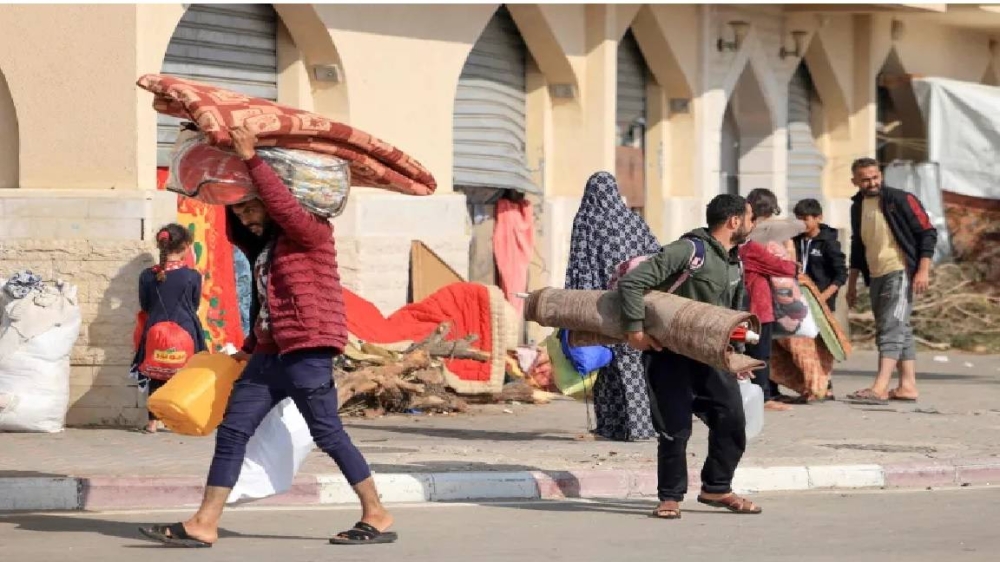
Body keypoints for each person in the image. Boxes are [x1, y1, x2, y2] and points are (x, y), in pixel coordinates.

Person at [140, 126, 395, 547]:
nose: (246, 218)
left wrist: (252, 159)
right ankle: (204, 522)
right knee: (233, 431)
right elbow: (242, 248)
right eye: (240, 213)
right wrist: (219, 165)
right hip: (270, 357)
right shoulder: (267, 249)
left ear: (272, 204)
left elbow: (286, 209)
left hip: (308, 351)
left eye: (251, 209)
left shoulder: (311, 233)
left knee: (328, 433)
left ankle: (377, 512)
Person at [617, 193, 762, 520]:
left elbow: (733, 315)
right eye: (750, 218)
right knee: (674, 429)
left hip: (712, 358)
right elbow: (632, 283)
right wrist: (635, 332)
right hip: (668, 355)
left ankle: (717, 487)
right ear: (734, 221)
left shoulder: (734, 261)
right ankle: (670, 497)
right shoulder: (689, 250)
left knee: (732, 421)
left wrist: (737, 357)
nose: (753, 225)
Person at [565, 171, 661, 441]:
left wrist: (575, 303)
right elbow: (656, 252)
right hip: (636, 299)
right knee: (632, 362)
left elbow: (579, 262)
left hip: (602, 302)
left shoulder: (587, 220)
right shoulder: (633, 220)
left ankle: (617, 427)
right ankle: (639, 426)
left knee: (607, 366)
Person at [845, 158, 938, 405]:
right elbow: (857, 245)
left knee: (891, 327)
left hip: (900, 271)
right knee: (901, 328)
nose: (872, 182)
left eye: (875, 176)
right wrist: (852, 283)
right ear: (855, 181)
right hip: (875, 275)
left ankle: (879, 387)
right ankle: (907, 386)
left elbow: (927, 232)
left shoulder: (900, 199)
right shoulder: (857, 206)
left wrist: (923, 270)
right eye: (865, 179)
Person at [131, 223, 207, 434]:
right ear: (184, 246)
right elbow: (194, 304)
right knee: (183, 376)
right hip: (186, 329)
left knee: (156, 372)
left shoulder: (147, 276)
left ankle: (152, 423)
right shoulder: (192, 276)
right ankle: (177, 421)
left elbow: (145, 305)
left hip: (155, 329)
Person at [739, 189, 799, 412]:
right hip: (758, 308)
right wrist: (793, 262)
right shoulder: (753, 246)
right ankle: (762, 397)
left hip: (741, 308)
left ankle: (759, 393)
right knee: (760, 354)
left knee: (746, 352)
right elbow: (783, 267)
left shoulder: (737, 244)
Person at [792, 198, 848, 312]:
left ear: (819, 218)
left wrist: (822, 298)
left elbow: (841, 275)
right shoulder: (793, 241)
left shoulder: (829, 242)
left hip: (822, 305)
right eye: (798, 219)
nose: (801, 223)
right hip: (797, 302)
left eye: (805, 219)